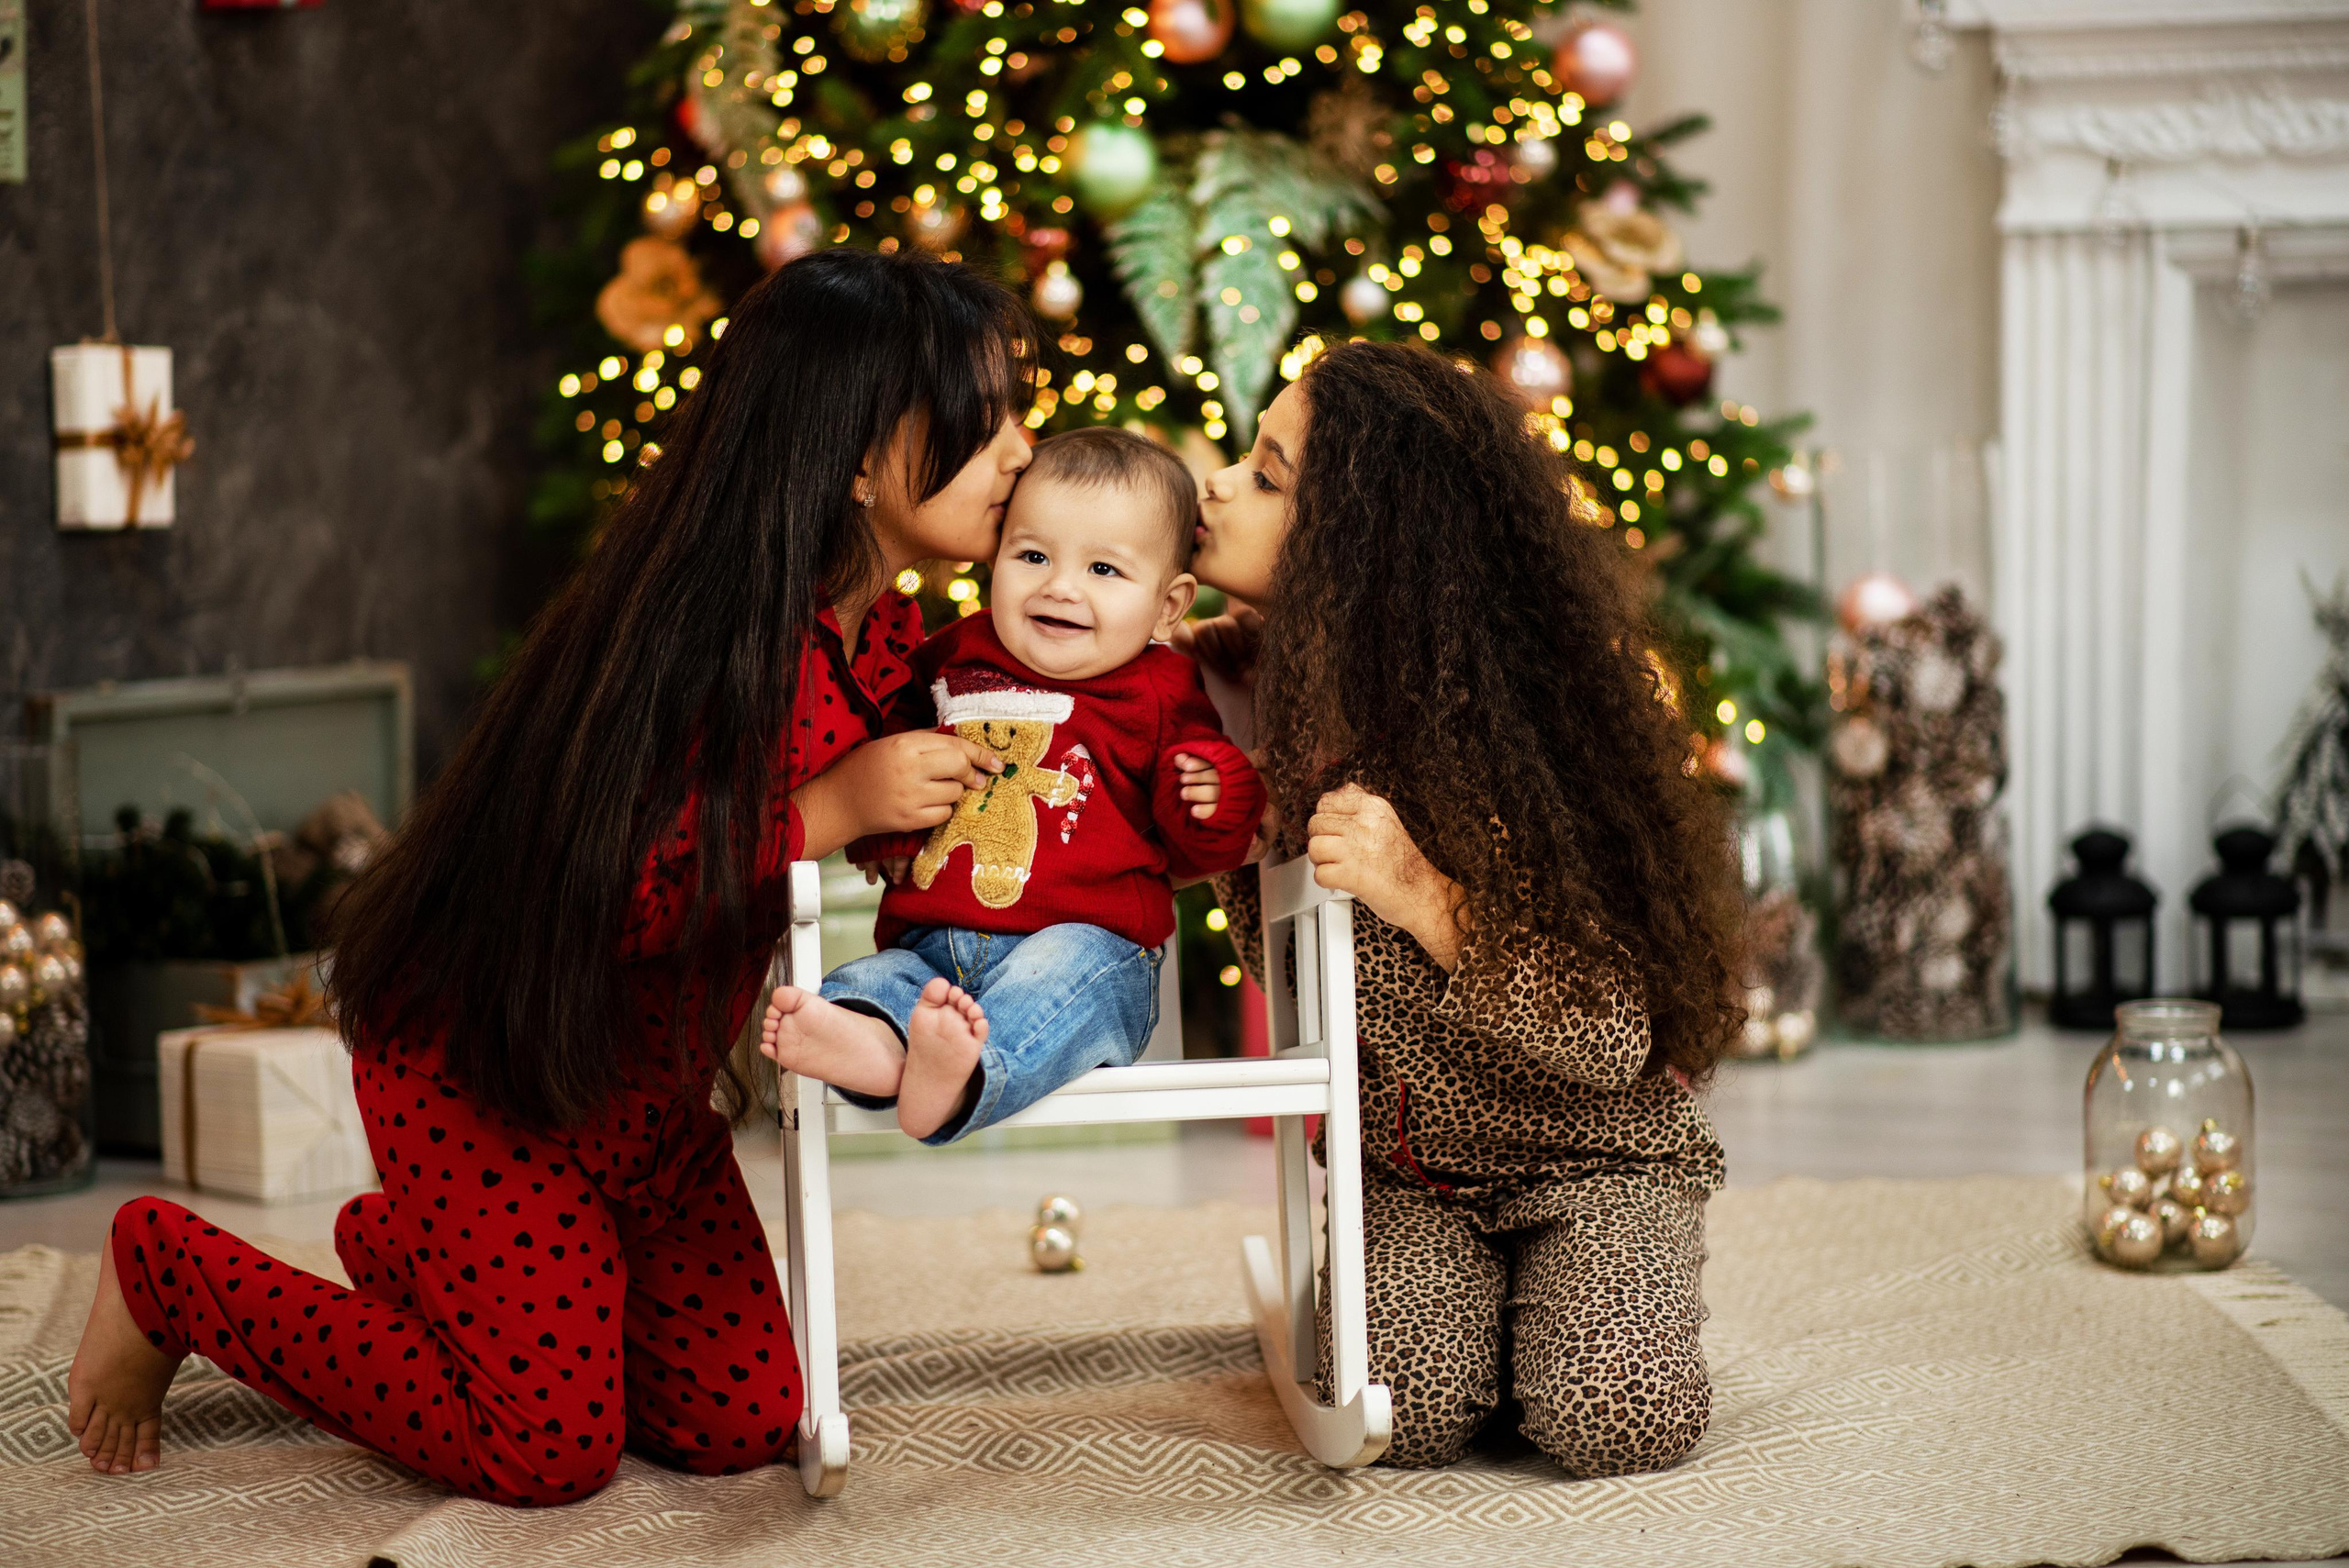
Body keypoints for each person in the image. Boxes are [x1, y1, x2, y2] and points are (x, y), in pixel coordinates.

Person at [65, 250, 1034, 1503]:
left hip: (643, 1109)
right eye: (987, 418)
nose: (1021, 447)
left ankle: (417, 1257)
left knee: (748, 1417)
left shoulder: (885, 632)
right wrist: (830, 807)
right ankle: (171, 1275)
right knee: (544, 1452)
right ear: (856, 459)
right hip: (490, 1070)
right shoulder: (707, 644)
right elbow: (621, 892)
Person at [1180, 339, 1743, 1475]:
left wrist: (1426, 894)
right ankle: (1479, 1320)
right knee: (1414, 1412)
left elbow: (1608, 1037)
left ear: (1359, 545)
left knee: (1613, 1417)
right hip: (1409, 1175)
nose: (1217, 488)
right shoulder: (1240, 685)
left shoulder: (1509, 745)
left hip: (1591, 1156)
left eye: (1267, 476)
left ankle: (1583, 1295)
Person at [760, 428, 1265, 1140]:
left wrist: (1214, 792)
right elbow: (890, 739)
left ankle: (968, 1072)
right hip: (933, 941)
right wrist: (895, 832)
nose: (1060, 585)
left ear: (1168, 605)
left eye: (1103, 570)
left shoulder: (1162, 690)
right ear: (996, 559)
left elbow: (1198, 833)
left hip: (1092, 940)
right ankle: (875, 1042)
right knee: (879, 981)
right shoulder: (950, 654)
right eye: (1032, 556)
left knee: (1064, 981)